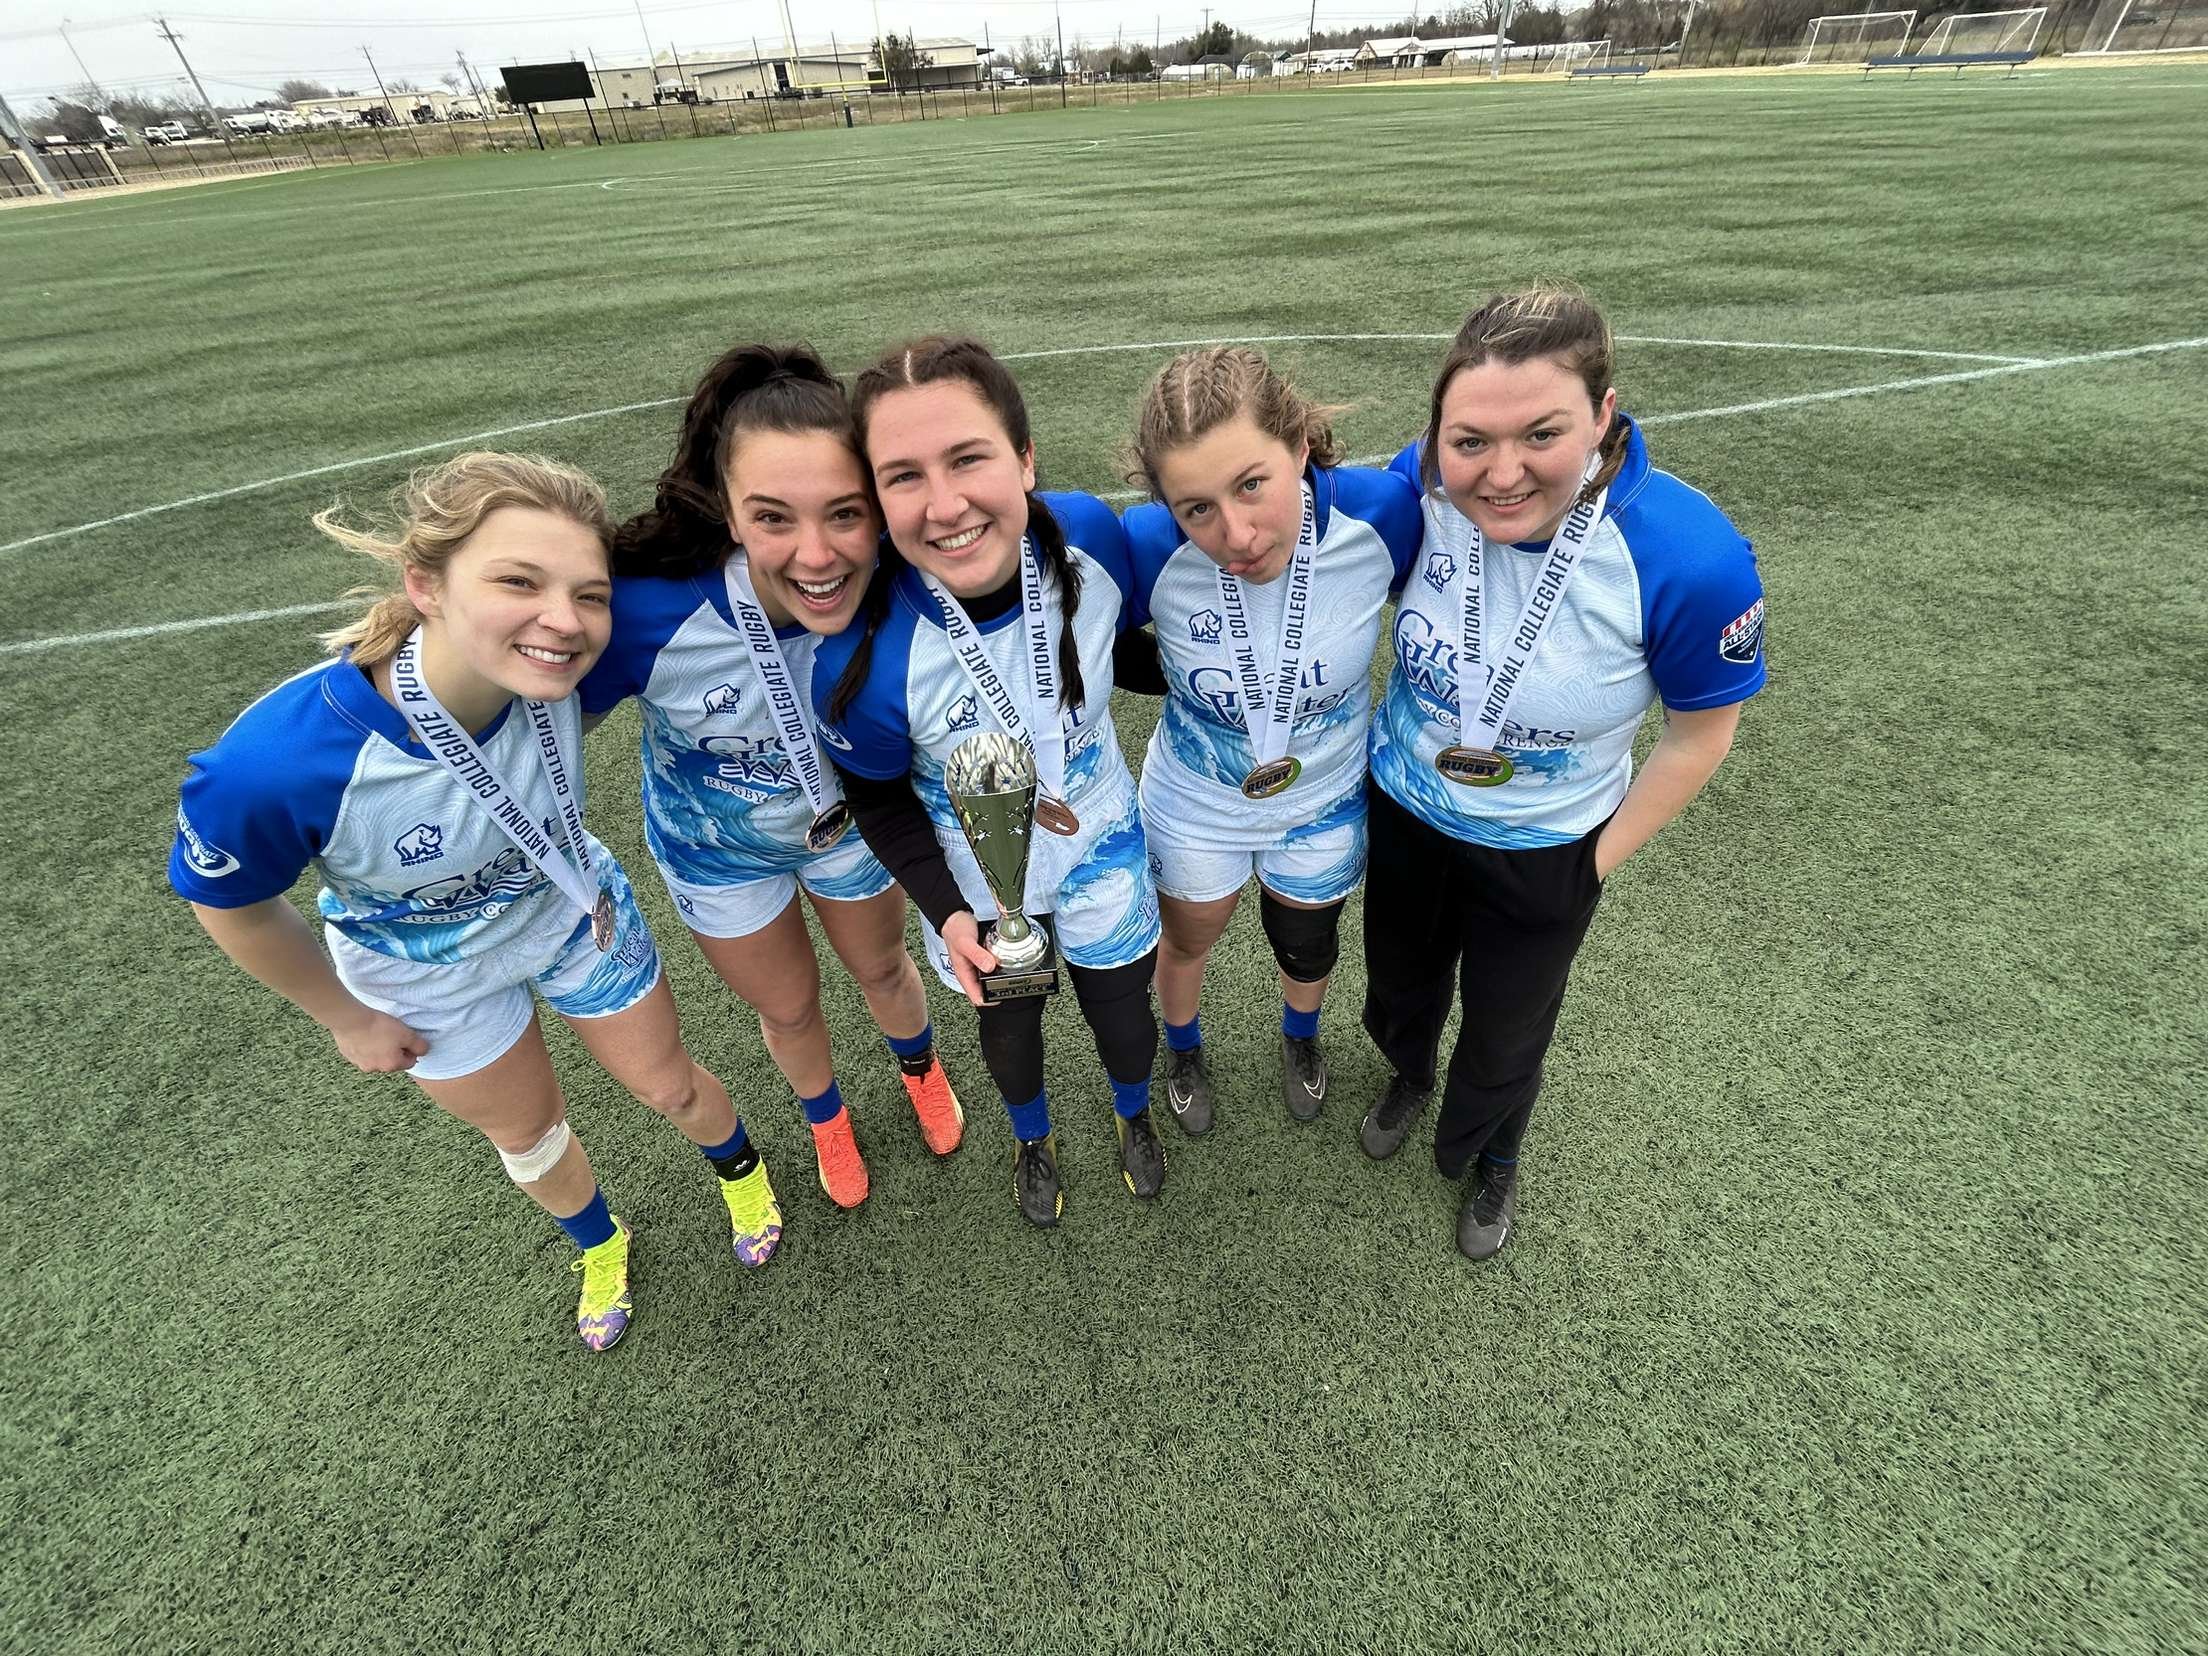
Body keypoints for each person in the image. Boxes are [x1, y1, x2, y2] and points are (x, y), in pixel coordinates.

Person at [168, 452, 784, 1355]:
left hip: (575, 917)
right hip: (423, 977)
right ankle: (601, 1244)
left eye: (589, 594)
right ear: (426, 585)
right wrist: (344, 1017)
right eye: (518, 582)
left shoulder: (574, 675)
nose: (562, 623)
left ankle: (740, 1173)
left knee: (669, 1084)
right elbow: (232, 904)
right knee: (529, 1135)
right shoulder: (275, 765)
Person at [1362, 284, 1768, 1259]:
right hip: (1408, 810)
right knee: (1402, 985)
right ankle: (1409, 1073)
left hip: (1551, 844)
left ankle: (1496, 1153)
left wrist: (1592, 860)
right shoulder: (1413, 484)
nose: (1499, 474)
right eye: (1469, 441)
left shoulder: (1687, 555)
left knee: (1508, 1028)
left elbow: (1699, 735)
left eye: (1540, 434)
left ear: (1603, 415)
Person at [583, 343, 966, 1212]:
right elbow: (534, 719)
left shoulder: (903, 587)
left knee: (882, 970)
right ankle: (827, 1118)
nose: (817, 555)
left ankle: (920, 1067)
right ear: (727, 511)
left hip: (857, 830)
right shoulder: (648, 614)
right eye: (774, 518)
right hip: (719, 855)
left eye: (844, 513)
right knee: (789, 1009)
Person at [812, 334, 1165, 1228]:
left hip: (1103, 854)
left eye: (968, 458)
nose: (945, 504)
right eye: (902, 476)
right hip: (982, 891)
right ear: (874, 494)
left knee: (1125, 1022)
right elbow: (880, 796)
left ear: (1026, 458)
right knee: (1011, 1035)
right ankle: (1031, 1139)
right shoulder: (861, 657)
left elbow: (1119, 653)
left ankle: (1133, 1114)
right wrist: (947, 910)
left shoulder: (1092, 540)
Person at [1118, 346, 1420, 1135]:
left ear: (1299, 446)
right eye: (1197, 508)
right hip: (1196, 799)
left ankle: (1300, 1039)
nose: (1237, 533)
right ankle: (1183, 1048)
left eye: (1253, 483)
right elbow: (1089, 644)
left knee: (1306, 940)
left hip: (1324, 796)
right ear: (1165, 506)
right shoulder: (1145, 547)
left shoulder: (1384, 515)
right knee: (1188, 937)